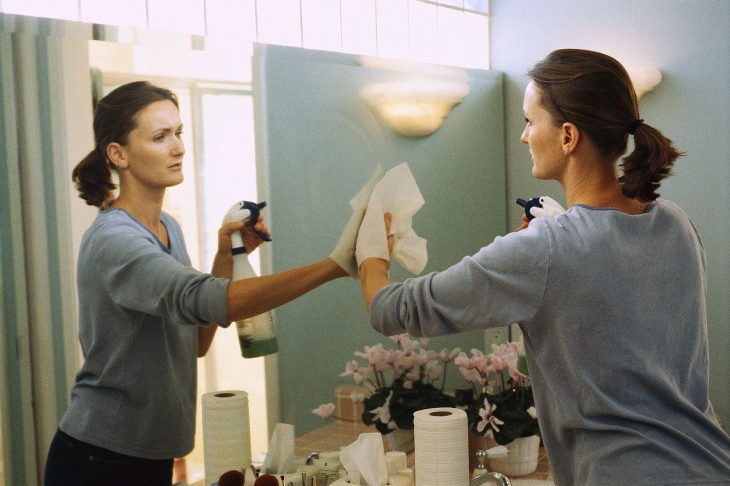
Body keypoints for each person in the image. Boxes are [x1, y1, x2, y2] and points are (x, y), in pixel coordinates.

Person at [356, 49, 730, 485]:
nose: (523, 136)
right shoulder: (674, 223)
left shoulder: (546, 249)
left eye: (531, 121)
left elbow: (392, 310)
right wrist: (546, 247)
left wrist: (369, 251)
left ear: (568, 136)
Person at [44, 81, 362, 485]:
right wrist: (334, 265)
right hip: (99, 458)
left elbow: (195, 342)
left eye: (178, 132)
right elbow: (210, 301)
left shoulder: (167, 228)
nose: (178, 147)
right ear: (117, 154)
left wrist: (224, 258)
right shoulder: (115, 241)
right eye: (160, 137)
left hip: (149, 454)